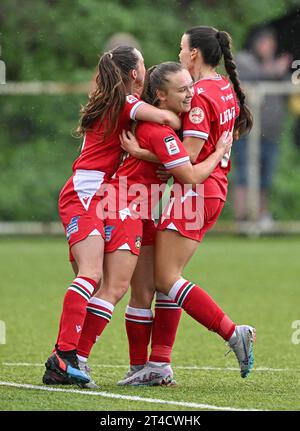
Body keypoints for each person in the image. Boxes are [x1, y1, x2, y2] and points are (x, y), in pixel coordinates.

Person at [72, 61, 233, 388]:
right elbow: (189, 176)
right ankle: (76, 357)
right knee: (114, 288)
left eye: (191, 86)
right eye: (183, 90)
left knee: (144, 290)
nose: (191, 94)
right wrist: (217, 153)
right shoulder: (159, 130)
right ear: (160, 95)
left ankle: (139, 368)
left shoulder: (166, 126)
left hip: (139, 207)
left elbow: (170, 136)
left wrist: (146, 153)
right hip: (123, 206)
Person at [117, 26, 256, 386]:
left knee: (165, 277)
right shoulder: (224, 85)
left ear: (194, 54)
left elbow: (188, 162)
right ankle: (159, 364)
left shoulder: (200, 97)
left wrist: (139, 152)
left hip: (196, 192)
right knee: (166, 280)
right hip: (210, 191)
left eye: (182, 48)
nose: (179, 54)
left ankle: (231, 332)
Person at [42, 45, 182, 387]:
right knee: (91, 276)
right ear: (134, 74)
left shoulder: (110, 99)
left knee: (105, 283)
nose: (146, 70)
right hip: (87, 194)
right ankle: (64, 356)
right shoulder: (127, 103)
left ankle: (68, 358)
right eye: (143, 65)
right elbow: (169, 118)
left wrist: (146, 157)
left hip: (95, 195)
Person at [233, 28, 290, 227]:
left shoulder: (274, 67)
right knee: (245, 174)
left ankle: (261, 215)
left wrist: (279, 70)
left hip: (270, 133)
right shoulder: (244, 60)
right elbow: (253, 77)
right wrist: (274, 69)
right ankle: (242, 218)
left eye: (271, 43)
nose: (269, 47)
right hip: (247, 132)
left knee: (265, 177)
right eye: (266, 43)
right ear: (256, 43)